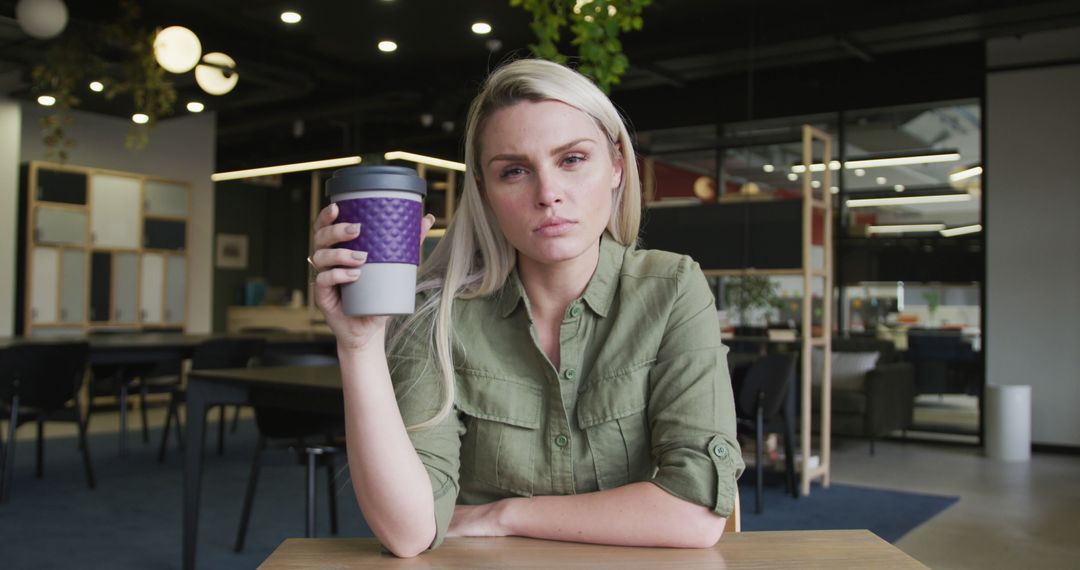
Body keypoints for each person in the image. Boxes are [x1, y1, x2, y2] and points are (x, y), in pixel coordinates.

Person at [309, 58, 743, 558]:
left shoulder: (672, 289)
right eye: (514, 171)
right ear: (487, 193)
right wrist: (359, 344)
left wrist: (503, 514)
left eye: (573, 159)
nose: (549, 194)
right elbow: (409, 531)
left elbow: (693, 514)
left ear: (617, 166)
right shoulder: (436, 312)